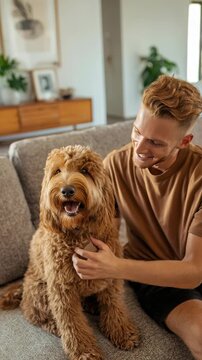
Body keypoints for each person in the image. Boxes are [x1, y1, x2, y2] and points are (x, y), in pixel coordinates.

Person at [72, 75, 202, 359]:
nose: (140, 148)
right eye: (136, 131)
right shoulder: (115, 165)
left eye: (155, 142)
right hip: (156, 279)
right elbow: (102, 233)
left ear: (185, 141)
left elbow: (193, 271)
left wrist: (115, 267)